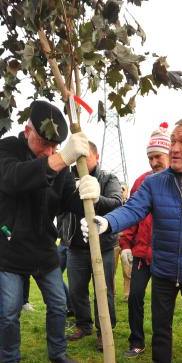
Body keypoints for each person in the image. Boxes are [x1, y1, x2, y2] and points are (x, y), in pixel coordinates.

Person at [81, 118, 182, 363]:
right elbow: (133, 209)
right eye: (173, 141)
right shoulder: (154, 183)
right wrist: (107, 222)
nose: (174, 148)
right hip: (164, 269)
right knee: (160, 327)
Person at [0, 100, 100, 363]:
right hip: (11, 247)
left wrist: (90, 195)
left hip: (43, 247)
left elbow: (67, 201)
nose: (51, 151)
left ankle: (58, 351)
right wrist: (60, 158)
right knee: (10, 311)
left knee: (58, 303)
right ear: (27, 131)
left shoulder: (59, 164)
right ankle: (10, 362)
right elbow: (13, 179)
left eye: (56, 147)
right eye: (45, 144)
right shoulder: (6, 150)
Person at [62, 141, 122, 351]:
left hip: (103, 246)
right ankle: (83, 324)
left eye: (85, 157)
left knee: (103, 291)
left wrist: (95, 198)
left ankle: (104, 331)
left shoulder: (108, 179)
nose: (81, 162)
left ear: (95, 157)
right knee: (77, 290)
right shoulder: (67, 178)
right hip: (76, 247)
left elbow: (116, 203)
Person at [120, 123, 170, 357]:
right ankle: (136, 341)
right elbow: (132, 215)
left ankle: (161, 345)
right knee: (135, 297)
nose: (153, 162)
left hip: (165, 255)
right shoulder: (141, 182)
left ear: (169, 154)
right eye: (149, 158)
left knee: (161, 305)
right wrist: (126, 245)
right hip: (141, 253)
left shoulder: (176, 182)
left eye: (157, 157)